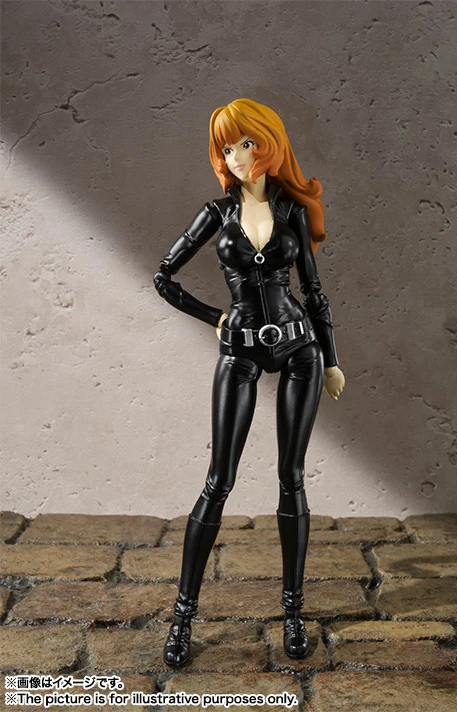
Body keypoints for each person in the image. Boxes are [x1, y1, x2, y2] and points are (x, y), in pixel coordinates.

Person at [153, 98, 345, 667]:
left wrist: (332, 360)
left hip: (300, 348)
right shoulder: (216, 214)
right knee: (219, 480)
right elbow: (164, 277)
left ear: (268, 144)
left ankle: (293, 613)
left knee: (291, 477)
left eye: (246, 143)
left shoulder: (291, 210)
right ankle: (183, 617)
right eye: (227, 147)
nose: (236, 156)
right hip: (239, 350)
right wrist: (215, 317)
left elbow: (313, 292)